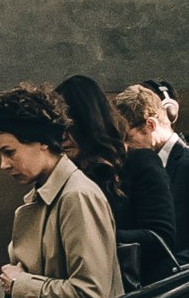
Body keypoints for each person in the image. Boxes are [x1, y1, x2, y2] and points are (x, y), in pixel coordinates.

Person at [0, 84, 123, 298]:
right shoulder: (45, 195)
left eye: (10, 152)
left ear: (42, 142)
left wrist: (20, 286)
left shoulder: (76, 196)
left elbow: (91, 293)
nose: (3, 165)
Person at [56, 75, 177, 287]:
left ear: (88, 123)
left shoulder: (139, 162)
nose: (62, 137)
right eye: (57, 129)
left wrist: (90, 236)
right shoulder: (66, 174)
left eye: (69, 127)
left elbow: (160, 237)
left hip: (136, 296)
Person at [113, 82, 189, 267]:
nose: (125, 148)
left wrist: (169, 269)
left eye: (128, 138)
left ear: (150, 124)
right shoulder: (143, 168)